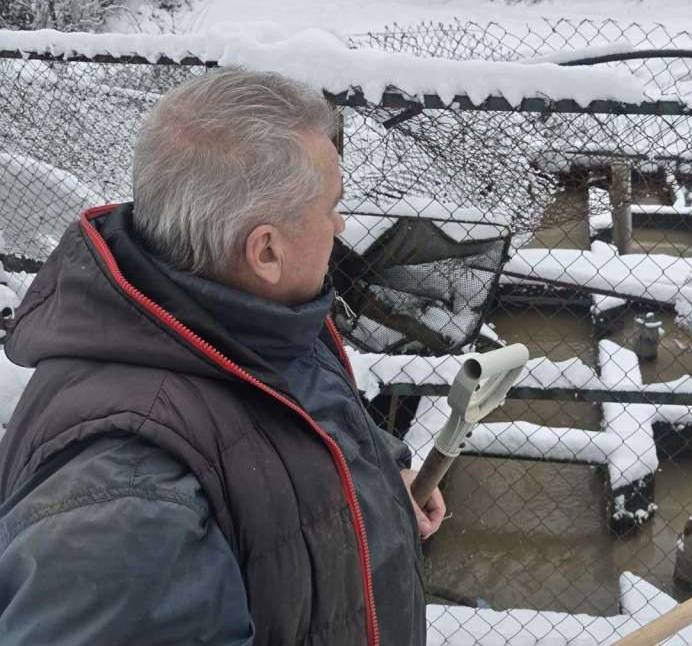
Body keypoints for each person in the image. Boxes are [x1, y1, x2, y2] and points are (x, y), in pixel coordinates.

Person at [0, 68, 444, 645]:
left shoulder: (241, 317)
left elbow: (276, 424)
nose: (339, 225)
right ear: (265, 250)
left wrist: (374, 482)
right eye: (332, 207)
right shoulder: (131, 503)